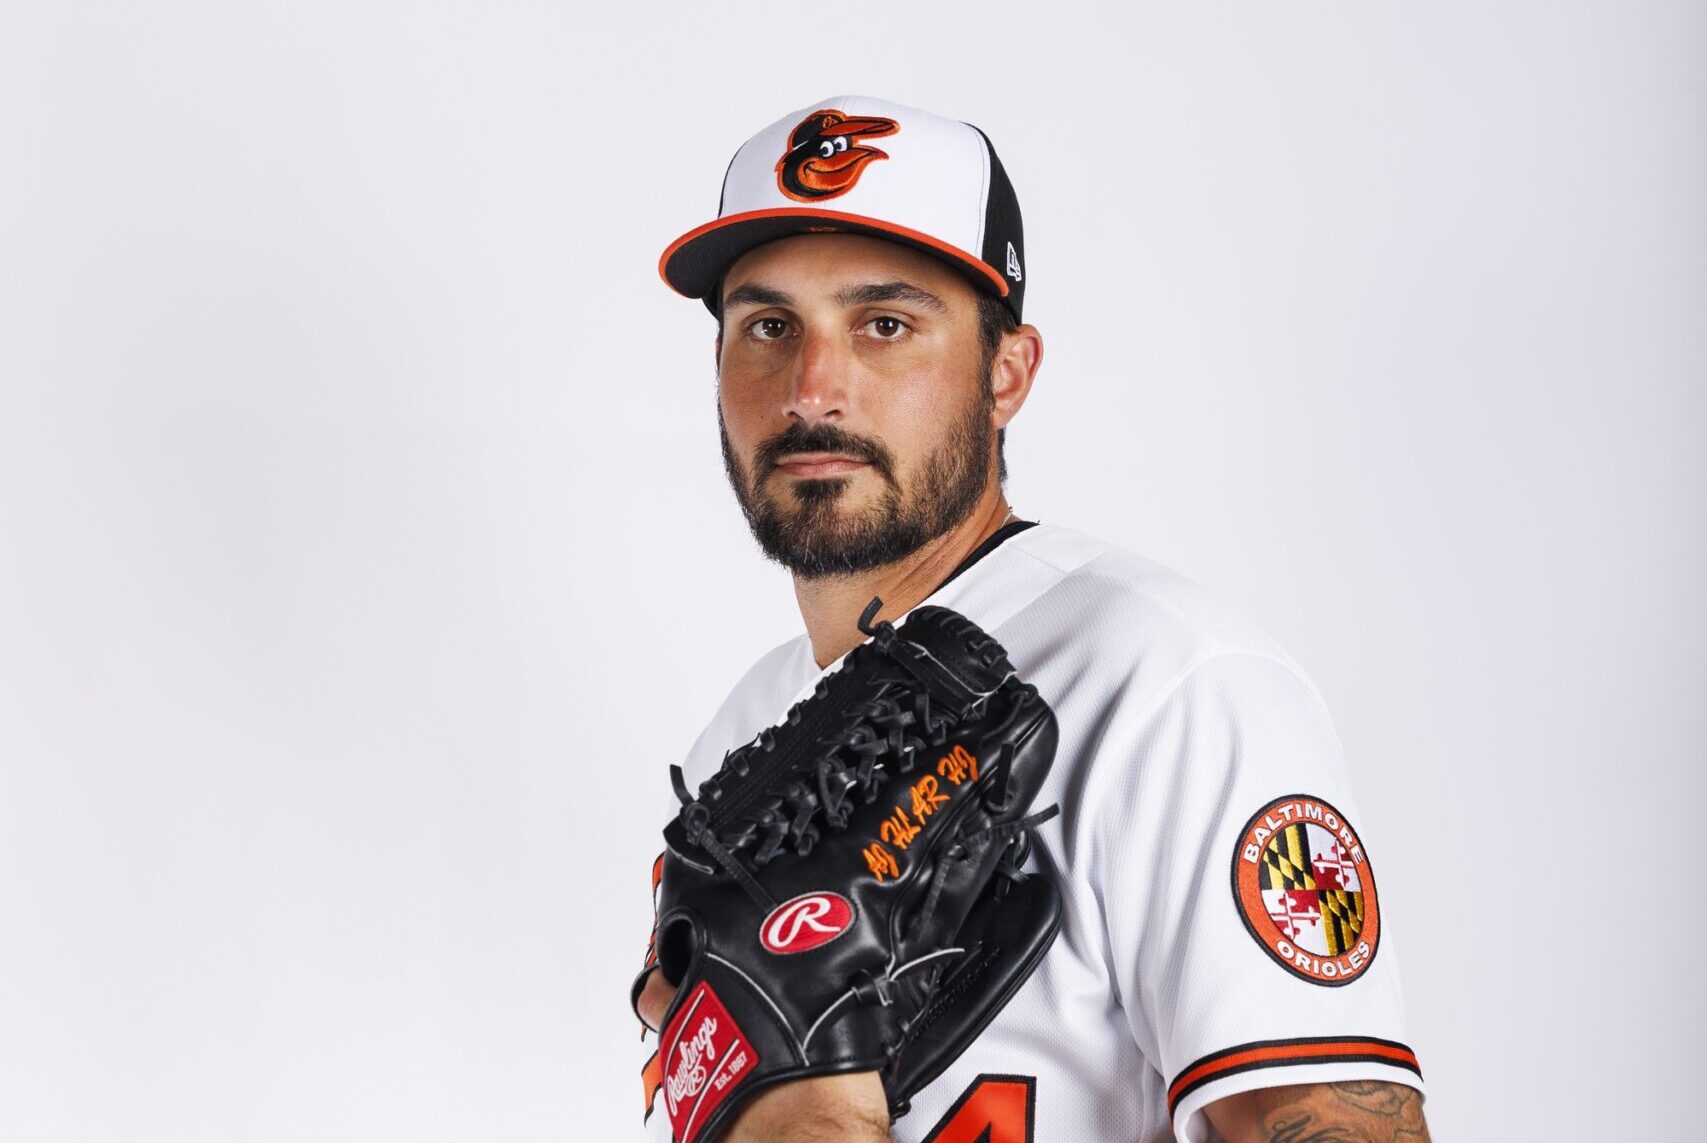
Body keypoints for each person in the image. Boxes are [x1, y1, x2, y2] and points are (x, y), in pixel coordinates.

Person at [631, 95, 1430, 1143]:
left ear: (1005, 375)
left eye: (885, 325)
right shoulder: (737, 743)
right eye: (769, 328)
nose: (812, 390)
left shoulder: (1172, 685)